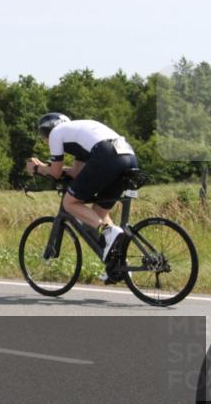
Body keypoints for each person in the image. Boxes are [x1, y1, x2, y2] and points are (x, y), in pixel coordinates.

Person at [25, 113, 139, 284]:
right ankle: (119, 265)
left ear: (48, 130)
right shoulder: (79, 134)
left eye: (43, 135)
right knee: (98, 212)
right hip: (128, 157)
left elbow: (55, 173)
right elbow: (77, 172)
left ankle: (109, 230)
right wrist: (52, 169)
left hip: (107, 155)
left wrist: (37, 168)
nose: (44, 139)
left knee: (70, 202)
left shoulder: (56, 133)